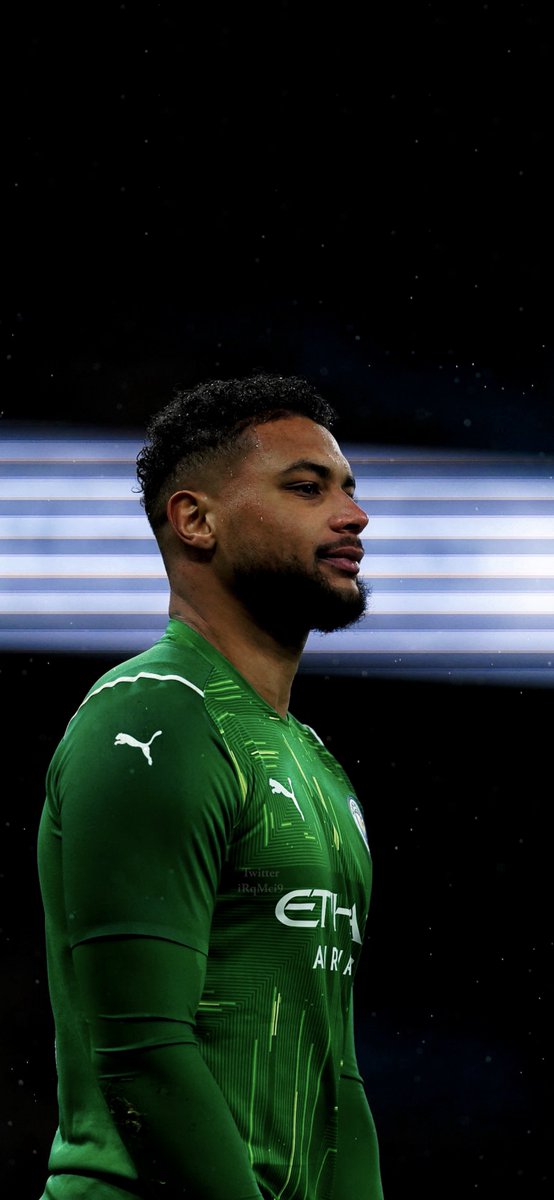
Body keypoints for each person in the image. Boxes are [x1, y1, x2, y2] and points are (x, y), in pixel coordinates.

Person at [37, 373, 384, 1200]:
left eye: (348, 488)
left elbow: (335, 1073)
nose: (355, 516)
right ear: (196, 520)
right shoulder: (155, 714)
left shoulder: (313, 761)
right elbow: (144, 1055)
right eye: (307, 488)